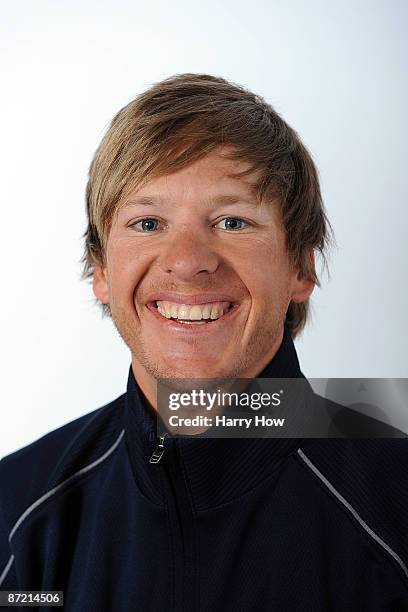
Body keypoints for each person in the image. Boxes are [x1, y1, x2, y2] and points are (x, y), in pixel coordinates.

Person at [0, 74, 407, 611]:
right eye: (147, 223)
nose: (188, 261)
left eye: (232, 221)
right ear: (100, 269)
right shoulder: (18, 508)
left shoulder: (395, 492)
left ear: (301, 267)